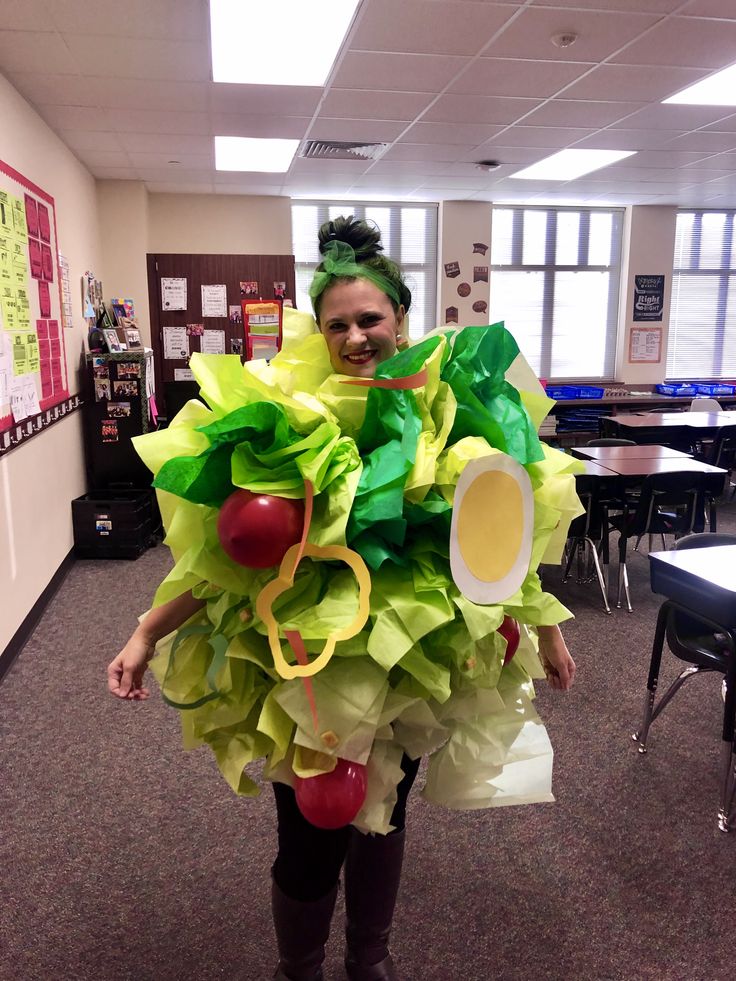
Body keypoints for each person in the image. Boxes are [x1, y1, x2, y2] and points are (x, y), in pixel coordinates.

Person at [108, 216, 577, 981]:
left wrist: (547, 632)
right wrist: (146, 631)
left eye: (371, 319)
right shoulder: (292, 421)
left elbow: (498, 538)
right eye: (339, 325)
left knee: (385, 810)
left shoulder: (446, 415)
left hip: (410, 667)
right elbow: (232, 552)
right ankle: (299, 968)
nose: (357, 336)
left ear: (400, 320)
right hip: (307, 667)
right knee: (309, 831)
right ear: (318, 333)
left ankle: (371, 958)